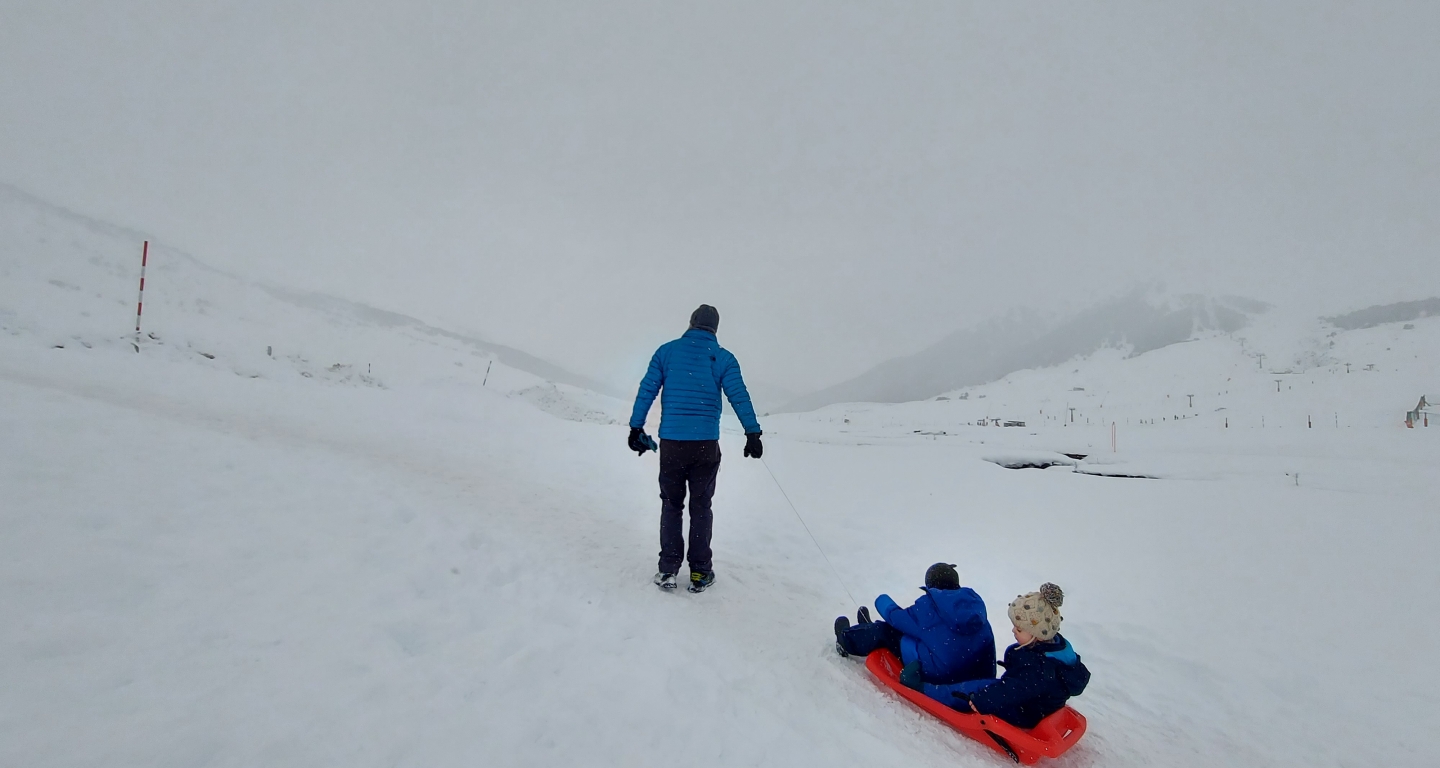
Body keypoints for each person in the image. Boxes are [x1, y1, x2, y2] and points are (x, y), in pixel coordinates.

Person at [629, 304, 763, 593]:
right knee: (701, 507)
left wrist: (635, 427)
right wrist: (752, 432)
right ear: (715, 328)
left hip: (673, 445)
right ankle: (701, 572)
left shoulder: (666, 352)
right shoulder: (723, 358)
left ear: (691, 322)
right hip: (705, 446)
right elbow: (739, 395)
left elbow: (647, 389)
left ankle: (668, 569)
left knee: (671, 505)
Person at [927, 583, 1091, 729]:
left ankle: (927, 691)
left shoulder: (1037, 667)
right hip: (1038, 706)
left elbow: (1013, 690)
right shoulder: (1055, 648)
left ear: (1037, 635)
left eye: (1019, 629)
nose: (1013, 631)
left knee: (975, 689)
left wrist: (982, 700)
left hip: (1024, 712)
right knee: (989, 686)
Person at [833, 563, 996, 685]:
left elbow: (897, 618)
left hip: (937, 674)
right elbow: (988, 648)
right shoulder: (976, 610)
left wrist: (882, 601)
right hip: (965, 677)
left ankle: (846, 640)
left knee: (886, 631)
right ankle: (866, 633)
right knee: (924, 633)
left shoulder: (931, 604)